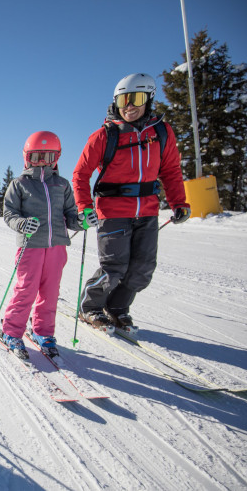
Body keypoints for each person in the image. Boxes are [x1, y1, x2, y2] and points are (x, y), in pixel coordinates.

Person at [73, 73, 191, 332]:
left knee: (142, 268)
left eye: (135, 98)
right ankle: (90, 308)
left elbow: (171, 170)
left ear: (149, 99)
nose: (129, 106)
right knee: (114, 266)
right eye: (123, 99)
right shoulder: (105, 135)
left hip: (147, 210)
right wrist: (84, 207)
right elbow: (81, 173)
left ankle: (117, 308)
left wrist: (178, 202)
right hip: (112, 211)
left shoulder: (161, 132)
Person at [0, 131, 85, 359]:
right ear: (27, 157)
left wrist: (83, 221)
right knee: (26, 290)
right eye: (37, 156)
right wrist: (22, 223)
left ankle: (43, 332)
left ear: (56, 157)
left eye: (48, 156)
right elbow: (9, 213)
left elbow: (71, 215)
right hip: (30, 246)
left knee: (50, 292)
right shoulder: (19, 184)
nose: (42, 162)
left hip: (57, 246)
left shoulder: (62, 185)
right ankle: (11, 331)